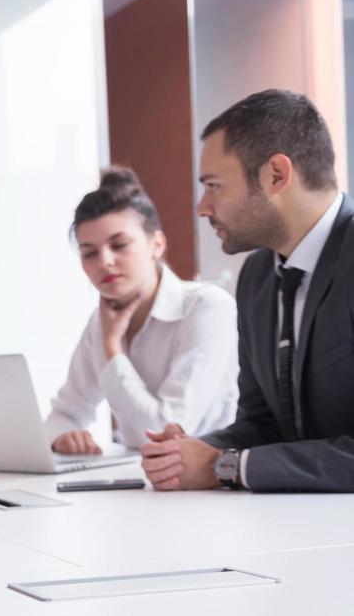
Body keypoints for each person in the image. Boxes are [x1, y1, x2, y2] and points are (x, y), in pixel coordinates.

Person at [46, 89, 354, 616]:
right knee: (218, 615)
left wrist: (227, 468)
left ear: (276, 174)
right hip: (306, 531)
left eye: (213, 185)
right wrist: (206, 454)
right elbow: (264, 416)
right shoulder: (257, 278)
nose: (199, 205)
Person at [46, 167, 238, 458]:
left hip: (209, 485)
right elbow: (63, 414)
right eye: (90, 253)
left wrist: (113, 348)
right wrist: (65, 436)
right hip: (140, 485)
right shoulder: (100, 323)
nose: (105, 261)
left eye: (119, 245)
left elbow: (163, 431)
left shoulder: (207, 307)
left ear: (156, 244)